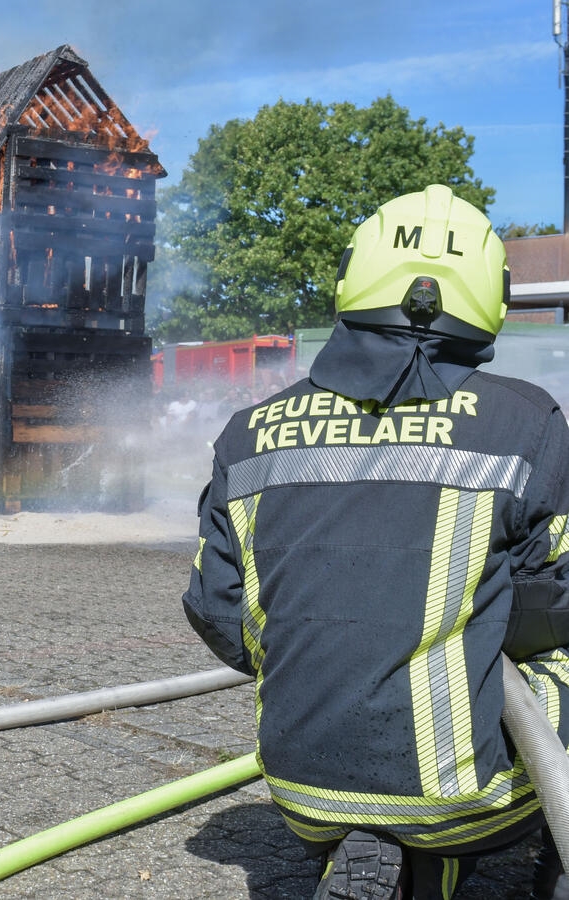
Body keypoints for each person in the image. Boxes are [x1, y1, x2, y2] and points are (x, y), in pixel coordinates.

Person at [182, 185, 569, 900]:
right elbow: (558, 605)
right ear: (491, 295)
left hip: (299, 789)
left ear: (354, 278)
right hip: (467, 797)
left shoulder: (248, 431)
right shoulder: (529, 423)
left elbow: (219, 616)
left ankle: (389, 850)